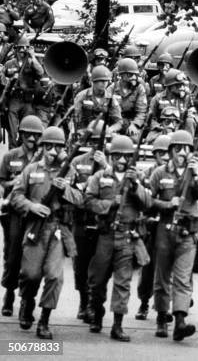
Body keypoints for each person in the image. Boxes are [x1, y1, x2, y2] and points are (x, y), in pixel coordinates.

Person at [12, 126, 83, 339]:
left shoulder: (70, 172)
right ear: (42, 146)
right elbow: (16, 196)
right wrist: (31, 206)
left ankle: (44, 320)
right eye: (49, 146)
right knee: (30, 274)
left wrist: (66, 190)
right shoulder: (31, 169)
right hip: (35, 227)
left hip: (58, 229)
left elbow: (81, 199)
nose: (53, 151)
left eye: (58, 147)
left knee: (54, 276)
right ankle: (26, 301)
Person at [85, 135, 151, 341]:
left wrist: (134, 187)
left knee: (123, 282)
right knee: (97, 280)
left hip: (127, 236)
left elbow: (148, 202)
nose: (122, 161)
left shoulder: (138, 178)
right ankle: (96, 314)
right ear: (111, 156)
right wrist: (109, 204)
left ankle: (117, 325)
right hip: (105, 235)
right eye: (118, 156)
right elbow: (88, 201)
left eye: (126, 157)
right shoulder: (100, 176)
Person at [149, 130, 198, 341]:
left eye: (186, 149)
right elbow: (148, 201)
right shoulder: (159, 173)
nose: (182, 153)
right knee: (163, 276)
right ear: (171, 151)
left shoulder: (195, 173)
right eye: (178, 149)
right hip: (165, 230)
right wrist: (168, 204)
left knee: (183, 279)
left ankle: (180, 320)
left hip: (187, 232)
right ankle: (161, 317)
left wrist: (197, 176)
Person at [0, 115, 44, 317]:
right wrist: (15, 182)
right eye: (28, 134)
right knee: (12, 255)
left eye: (36, 135)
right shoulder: (10, 156)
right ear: (22, 134)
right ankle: (9, 293)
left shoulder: (43, 159)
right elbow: (2, 183)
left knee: (33, 259)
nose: (32, 138)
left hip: (34, 212)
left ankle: (27, 300)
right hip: (14, 213)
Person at [70, 119, 108, 322]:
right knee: (80, 264)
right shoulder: (78, 162)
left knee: (100, 266)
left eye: (101, 142)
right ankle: (83, 302)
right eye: (94, 141)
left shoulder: (112, 164)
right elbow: (72, 190)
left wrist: (105, 166)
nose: (97, 146)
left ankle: (95, 304)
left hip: (103, 221)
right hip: (82, 219)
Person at [135, 134, 171, 321]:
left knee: (166, 268)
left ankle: (164, 305)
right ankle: (143, 303)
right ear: (155, 154)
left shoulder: (173, 173)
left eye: (167, 152)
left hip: (167, 224)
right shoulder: (147, 174)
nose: (164, 156)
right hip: (149, 224)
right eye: (160, 153)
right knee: (147, 267)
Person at [2, 36, 45, 148]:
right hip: (14, 99)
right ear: (16, 49)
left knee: (27, 128)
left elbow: (40, 73)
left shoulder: (32, 62)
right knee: (12, 130)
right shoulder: (10, 63)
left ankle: (24, 150)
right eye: (20, 48)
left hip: (27, 100)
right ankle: (12, 151)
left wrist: (33, 57)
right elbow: (2, 80)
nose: (22, 51)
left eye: (25, 48)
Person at [73, 65, 122, 138]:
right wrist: (77, 131)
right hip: (84, 132)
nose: (104, 83)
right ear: (94, 81)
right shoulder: (82, 96)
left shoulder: (111, 98)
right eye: (101, 81)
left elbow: (119, 122)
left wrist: (110, 129)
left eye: (106, 81)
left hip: (104, 133)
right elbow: (75, 118)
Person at [148, 69, 198, 136]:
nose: (182, 87)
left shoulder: (186, 98)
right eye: (178, 85)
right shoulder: (157, 99)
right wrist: (160, 127)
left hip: (180, 129)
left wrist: (190, 115)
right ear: (170, 86)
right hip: (162, 130)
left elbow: (195, 115)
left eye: (182, 85)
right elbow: (151, 118)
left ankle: (187, 144)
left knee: (190, 121)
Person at [108, 58, 148, 141]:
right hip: (114, 122)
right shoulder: (112, 88)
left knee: (134, 139)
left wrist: (135, 125)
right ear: (122, 75)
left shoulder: (139, 88)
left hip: (131, 122)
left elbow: (141, 111)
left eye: (135, 74)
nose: (133, 77)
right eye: (130, 75)